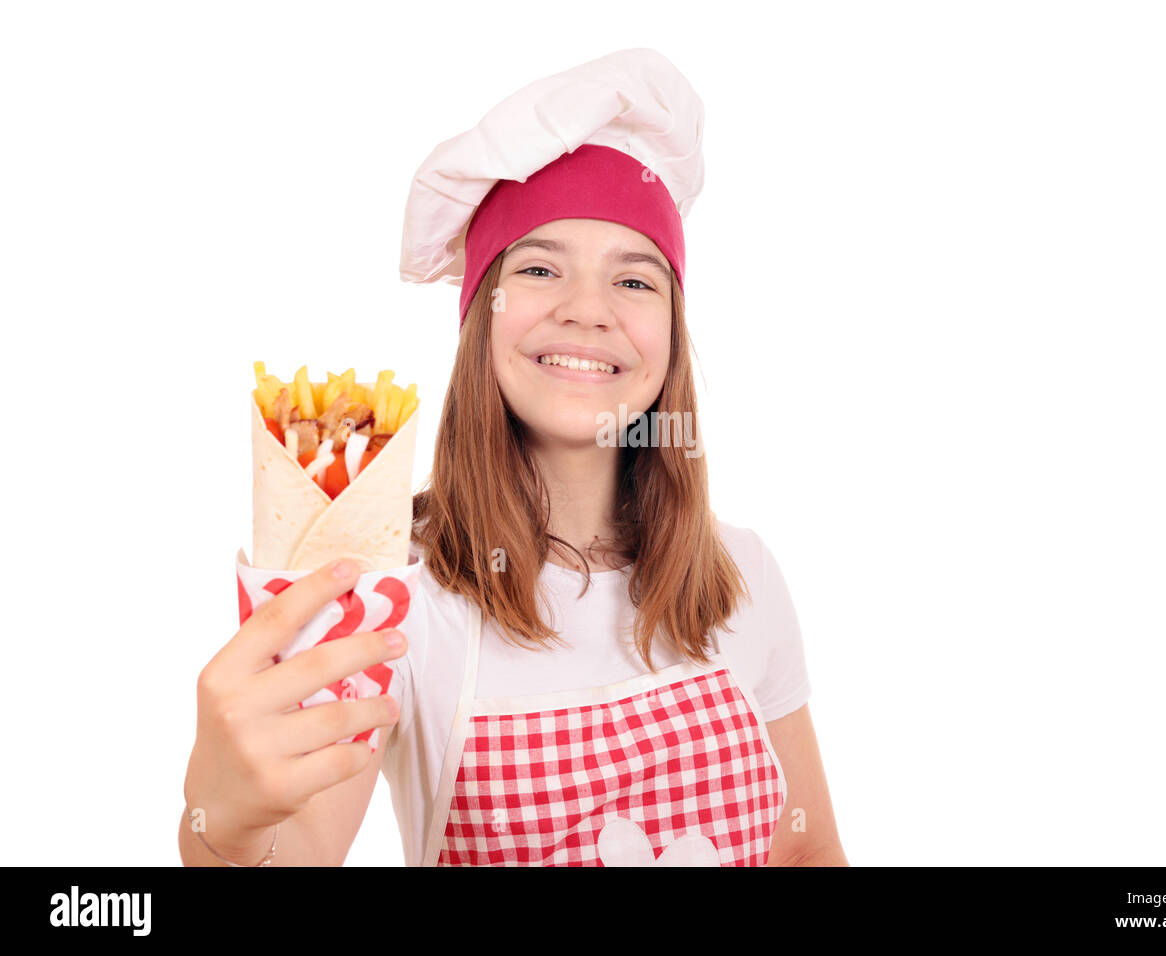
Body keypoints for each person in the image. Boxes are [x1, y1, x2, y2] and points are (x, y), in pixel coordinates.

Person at [180, 47, 847, 867]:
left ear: (672, 338)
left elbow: (806, 853)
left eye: (635, 282)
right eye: (539, 269)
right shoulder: (398, 593)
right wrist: (223, 825)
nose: (587, 311)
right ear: (479, 320)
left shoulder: (741, 571)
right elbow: (291, 851)